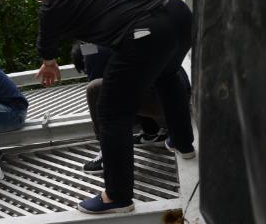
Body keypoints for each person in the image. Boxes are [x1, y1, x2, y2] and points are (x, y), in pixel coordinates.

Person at [20, 0, 195, 215]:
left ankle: (117, 196)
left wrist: (49, 63)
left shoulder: (51, 7)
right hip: (177, 14)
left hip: (143, 34)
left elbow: (46, 47)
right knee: (168, 70)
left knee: (112, 111)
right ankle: (183, 142)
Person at [72, 41, 191, 173]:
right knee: (127, 79)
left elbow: (104, 104)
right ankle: (152, 133)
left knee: (95, 90)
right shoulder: (117, 32)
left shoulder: (89, 49)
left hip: (162, 101)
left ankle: (109, 155)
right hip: (180, 94)